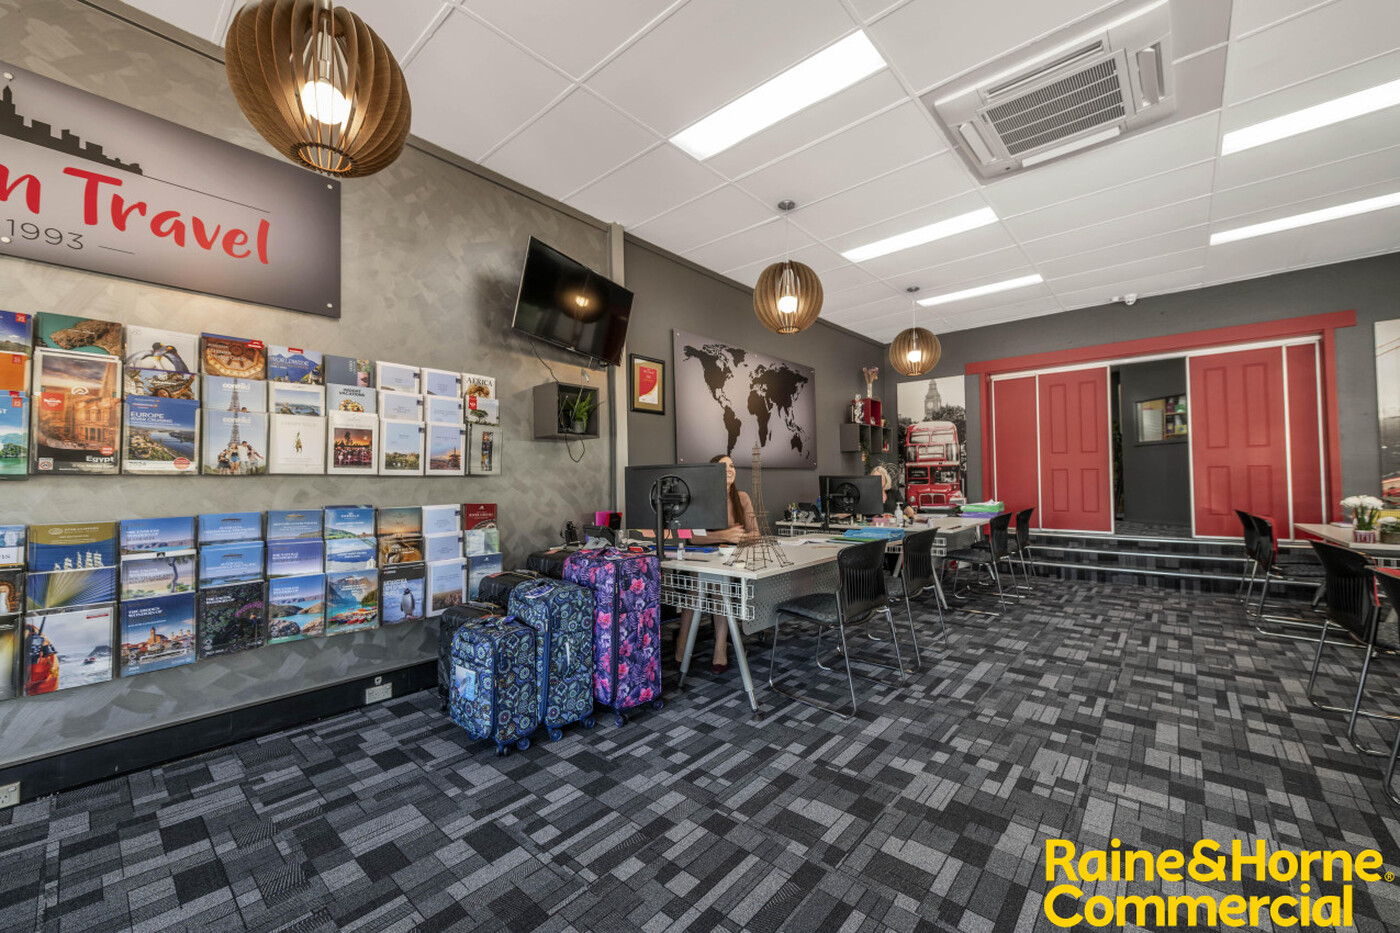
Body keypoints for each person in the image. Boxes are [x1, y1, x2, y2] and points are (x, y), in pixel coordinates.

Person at [674, 454, 758, 674]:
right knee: (698, 586)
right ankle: (683, 643)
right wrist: (725, 535)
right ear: (713, 473)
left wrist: (736, 537)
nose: (730, 469)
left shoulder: (742, 498)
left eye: (732, 465)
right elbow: (693, 537)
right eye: (724, 466)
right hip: (703, 556)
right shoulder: (701, 498)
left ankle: (719, 648)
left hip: (730, 558)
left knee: (719, 586)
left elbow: (755, 534)